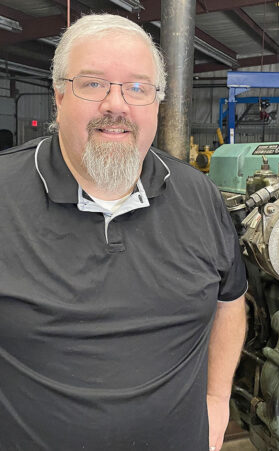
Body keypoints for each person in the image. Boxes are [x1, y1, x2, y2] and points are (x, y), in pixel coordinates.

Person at [0, 14, 247, 451]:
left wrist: (217, 397)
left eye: (137, 88)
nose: (117, 105)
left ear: (156, 102)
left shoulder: (198, 195)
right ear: (58, 95)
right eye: (93, 83)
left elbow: (230, 297)